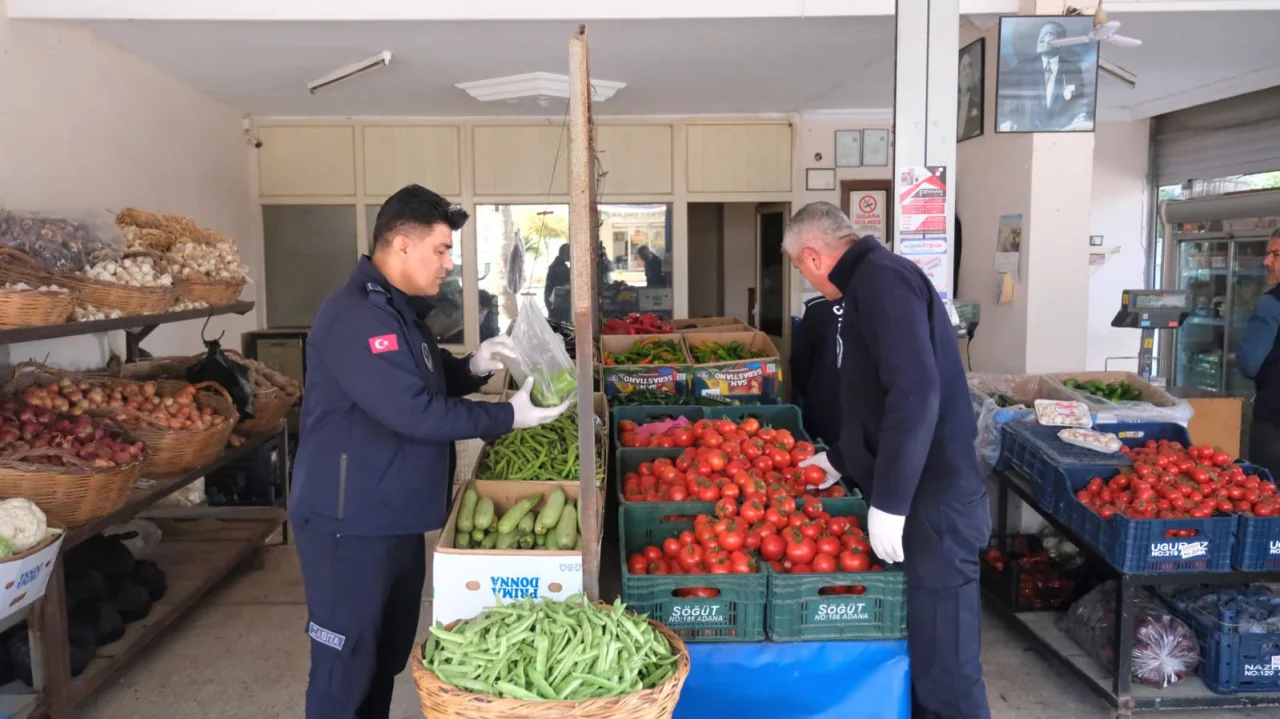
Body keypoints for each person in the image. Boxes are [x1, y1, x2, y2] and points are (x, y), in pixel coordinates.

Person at [289, 184, 570, 719]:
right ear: (401, 244)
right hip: (347, 524)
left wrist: (473, 366)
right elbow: (411, 410)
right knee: (344, 665)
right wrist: (507, 415)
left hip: (391, 514)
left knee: (384, 656)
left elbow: (424, 377)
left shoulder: (398, 311)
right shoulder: (354, 316)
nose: (448, 263)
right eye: (441, 249)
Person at [786, 202, 991, 719]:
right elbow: (879, 398)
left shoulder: (879, 282)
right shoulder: (878, 279)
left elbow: (915, 391)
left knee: (948, 658)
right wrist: (840, 458)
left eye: (799, 268)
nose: (806, 280)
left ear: (812, 257)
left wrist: (892, 501)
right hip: (926, 491)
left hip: (936, 498)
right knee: (927, 643)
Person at [1237, 229, 1280, 474]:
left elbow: (1249, 364)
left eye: (1276, 255)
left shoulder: (1272, 303)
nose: (1267, 262)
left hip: (1274, 421)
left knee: (1269, 495)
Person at [1001, 21, 1088, 132]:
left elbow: (1080, 104)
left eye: (1048, 34)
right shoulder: (1022, 68)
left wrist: (1080, 118)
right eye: (1040, 34)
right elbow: (1006, 102)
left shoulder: (1073, 69)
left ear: (1060, 42)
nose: (1040, 39)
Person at [790, 295, 842, 447]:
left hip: (825, 403)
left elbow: (800, 362)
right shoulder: (883, 304)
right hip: (870, 411)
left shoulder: (819, 307)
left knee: (821, 458)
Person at [957, 47, 982, 141]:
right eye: (963, 67)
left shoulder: (977, 104)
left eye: (969, 66)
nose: (967, 72)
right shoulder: (949, 104)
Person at [544, 244, 571, 324]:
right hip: (555, 300)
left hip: (553, 298)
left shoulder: (559, 265)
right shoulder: (559, 267)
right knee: (558, 324)